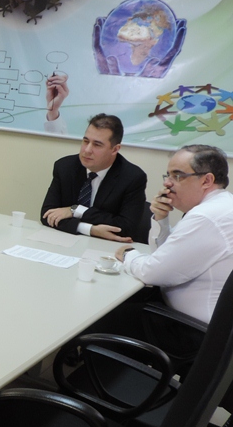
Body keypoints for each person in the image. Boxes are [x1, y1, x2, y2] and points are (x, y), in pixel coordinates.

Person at [115, 145, 233, 324]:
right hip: (191, 320)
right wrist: (161, 219)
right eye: (168, 175)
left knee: (102, 318)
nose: (167, 183)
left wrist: (128, 255)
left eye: (177, 176)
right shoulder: (219, 206)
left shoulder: (206, 217)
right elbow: (165, 257)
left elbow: (152, 273)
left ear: (206, 180)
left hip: (192, 330)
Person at [41, 114, 147, 242]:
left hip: (105, 247)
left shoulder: (132, 178)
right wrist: (89, 229)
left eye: (97, 145)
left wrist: (76, 210)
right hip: (65, 241)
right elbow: (47, 215)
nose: (87, 150)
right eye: (86, 141)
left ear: (115, 149)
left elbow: (126, 227)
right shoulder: (65, 167)